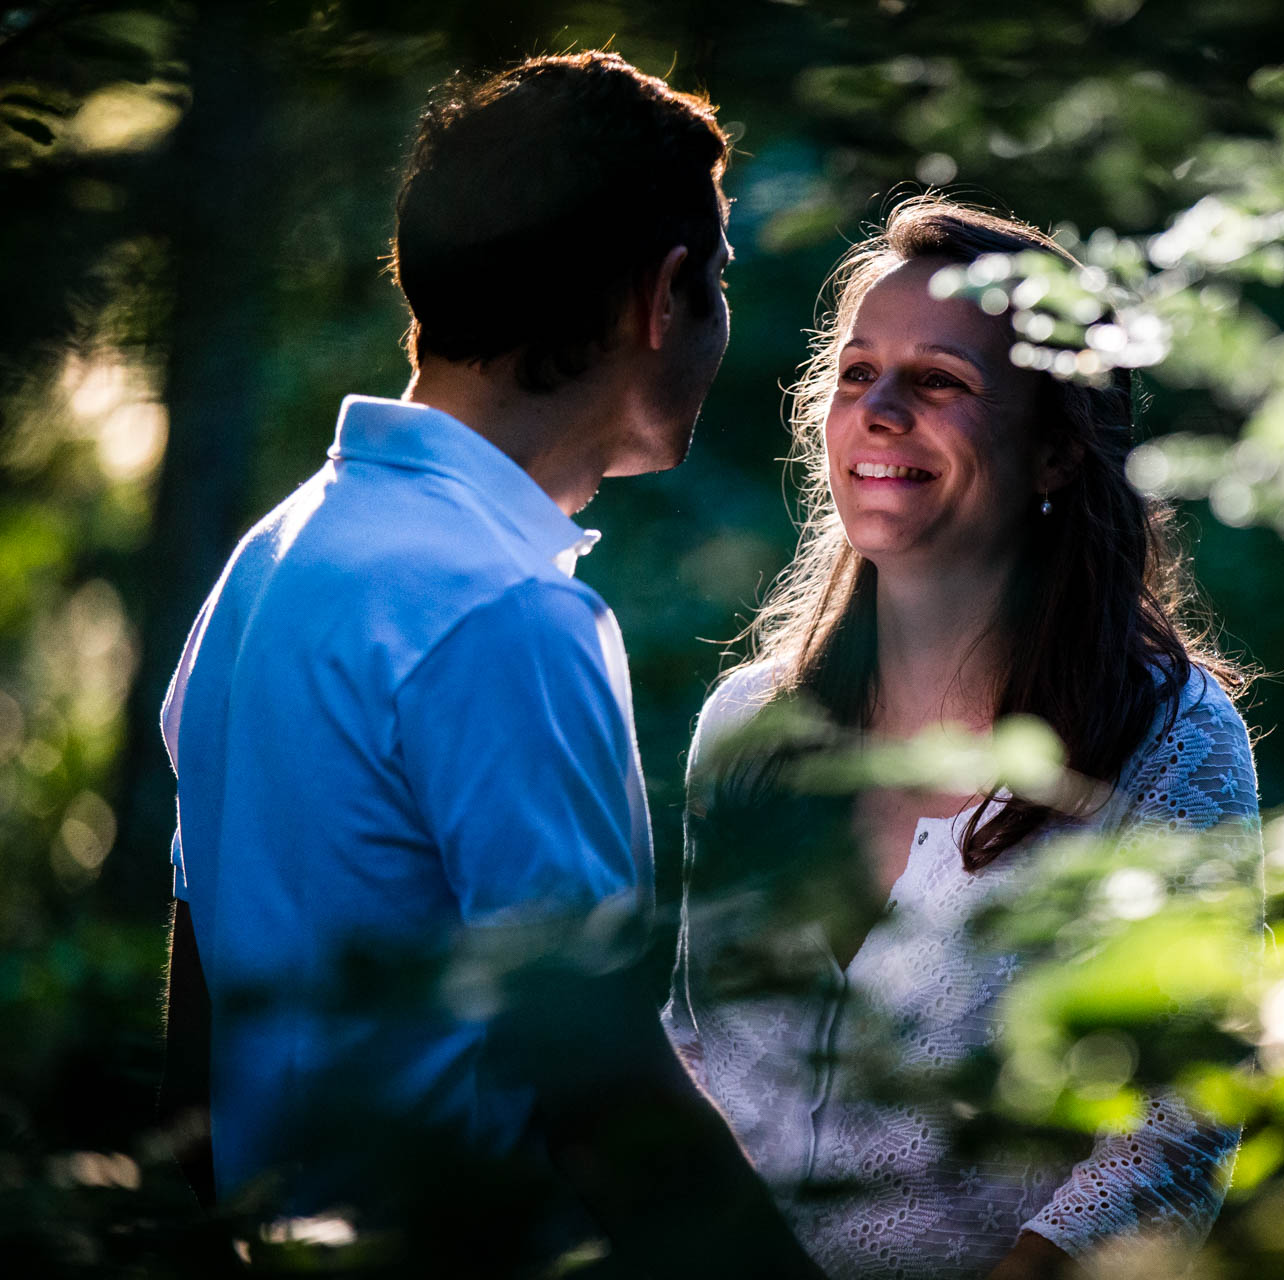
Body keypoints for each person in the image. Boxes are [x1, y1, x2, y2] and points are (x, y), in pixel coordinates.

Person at [158, 51, 822, 1275]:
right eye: (718, 282)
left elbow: (201, 982)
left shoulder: (272, 556)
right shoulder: (504, 612)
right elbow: (600, 1080)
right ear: (660, 298)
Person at [663, 196, 1263, 1279]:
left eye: (940, 379)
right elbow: (696, 1046)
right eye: (857, 373)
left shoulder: (1164, 738)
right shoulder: (748, 725)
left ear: (1052, 454)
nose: (881, 409)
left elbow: (1179, 1115)